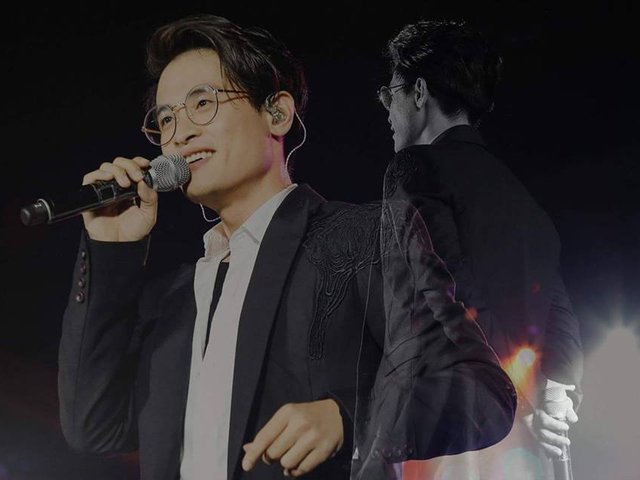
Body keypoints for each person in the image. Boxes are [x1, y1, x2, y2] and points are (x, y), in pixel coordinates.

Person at [57, 14, 516, 480]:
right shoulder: (175, 298)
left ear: (277, 113)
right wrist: (111, 252)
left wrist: (349, 418)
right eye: (166, 119)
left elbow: (482, 392)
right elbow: (93, 427)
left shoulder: (366, 238)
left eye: (202, 103)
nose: (179, 134)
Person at [378, 19, 584, 478]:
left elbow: (449, 294)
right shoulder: (522, 196)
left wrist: (521, 405)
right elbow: (560, 309)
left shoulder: (413, 169)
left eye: (390, 94)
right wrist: (553, 398)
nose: (387, 111)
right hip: (526, 447)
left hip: (453, 436)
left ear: (418, 92)